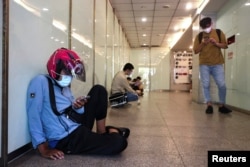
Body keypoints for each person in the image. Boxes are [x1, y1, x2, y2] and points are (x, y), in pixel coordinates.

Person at [26, 48, 130, 160]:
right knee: (119, 142)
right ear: (55, 67)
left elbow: (70, 109)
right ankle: (112, 132)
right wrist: (43, 147)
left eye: (71, 74)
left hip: (76, 125)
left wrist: (77, 106)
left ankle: (102, 131)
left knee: (99, 90)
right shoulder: (40, 81)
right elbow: (33, 115)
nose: (69, 77)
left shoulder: (64, 86)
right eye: (67, 72)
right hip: (65, 138)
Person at [193, 17, 232, 114]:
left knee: (222, 85)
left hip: (217, 63)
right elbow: (196, 51)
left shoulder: (219, 32)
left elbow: (225, 46)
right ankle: (209, 105)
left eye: (208, 26)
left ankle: (222, 105)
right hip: (204, 64)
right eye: (204, 27)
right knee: (205, 85)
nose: (206, 29)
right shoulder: (199, 36)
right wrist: (203, 43)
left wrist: (216, 43)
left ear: (211, 23)